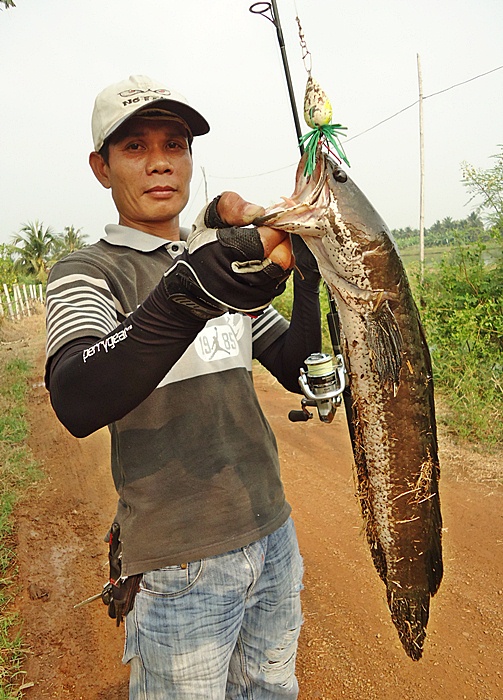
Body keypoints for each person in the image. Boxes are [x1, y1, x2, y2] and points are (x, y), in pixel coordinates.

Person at [45, 74, 322, 699]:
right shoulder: (89, 272)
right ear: (101, 167)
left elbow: (296, 363)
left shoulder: (219, 264)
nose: (160, 163)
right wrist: (183, 295)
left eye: (175, 144)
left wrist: (306, 275)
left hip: (273, 537)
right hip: (179, 561)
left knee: (273, 690)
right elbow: (76, 394)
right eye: (135, 147)